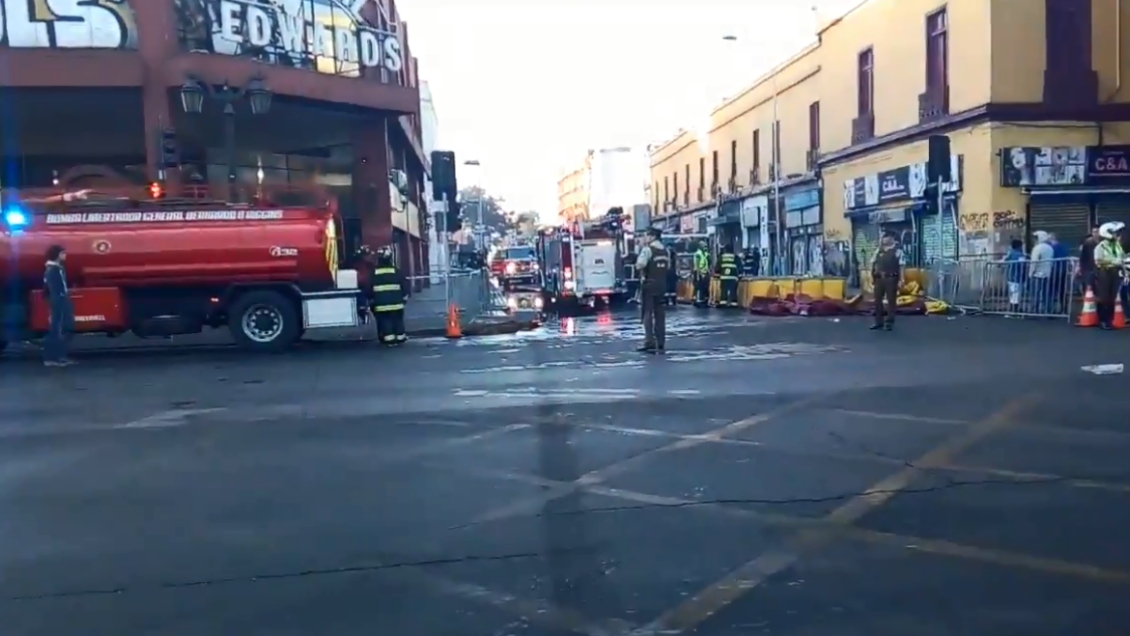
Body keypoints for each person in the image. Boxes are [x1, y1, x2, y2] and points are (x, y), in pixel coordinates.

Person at [635, 226, 670, 353]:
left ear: (652, 237)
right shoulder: (665, 251)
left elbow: (640, 265)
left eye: (647, 235)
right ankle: (660, 342)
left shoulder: (647, 250)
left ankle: (649, 341)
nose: (645, 238)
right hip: (662, 285)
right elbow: (668, 267)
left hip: (649, 285)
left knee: (647, 313)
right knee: (660, 314)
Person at [42, 244, 74, 366]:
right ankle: (55, 358)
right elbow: (53, 288)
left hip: (57, 300)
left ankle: (57, 357)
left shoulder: (55, 268)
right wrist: (61, 297)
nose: (65, 255)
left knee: (59, 328)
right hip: (58, 301)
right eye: (63, 253)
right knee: (58, 329)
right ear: (57, 255)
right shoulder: (53, 270)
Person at [370, 246, 409, 344]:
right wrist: (404, 298)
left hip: (381, 306)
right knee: (398, 321)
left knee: (385, 322)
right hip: (397, 304)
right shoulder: (396, 271)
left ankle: (389, 339)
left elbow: (368, 288)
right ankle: (400, 337)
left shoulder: (374, 273)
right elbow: (405, 286)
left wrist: (370, 300)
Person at [1093, 222, 1125, 330]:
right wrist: (1113, 261)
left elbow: (1121, 256)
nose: (1116, 234)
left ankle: (1109, 320)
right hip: (1104, 272)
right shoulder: (1100, 247)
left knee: (1112, 297)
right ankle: (1103, 320)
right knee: (1104, 297)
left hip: (1115, 272)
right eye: (1114, 232)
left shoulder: (1117, 245)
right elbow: (1098, 261)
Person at [869, 233, 900, 331]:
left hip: (891, 278)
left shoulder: (897, 251)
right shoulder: (878, 251)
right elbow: (872, 263)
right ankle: (878, 322)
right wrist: (872, 276)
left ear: (891, 239)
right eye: (883, 238)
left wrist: (901, 280)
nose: (884, 240)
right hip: (879, 278)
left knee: (891, 301)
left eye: (886, 238)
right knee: (877, 301)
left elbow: (902, 266)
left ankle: (889, 323)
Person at [1029, 230, 1055, 314]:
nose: (1034, 240)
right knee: (1046, 294)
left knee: (1035, 293)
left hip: (1037, 274)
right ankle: (1048, 310)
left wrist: (1031, 273)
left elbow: (1034, 262)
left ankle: (1034, 310)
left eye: (1035, 238)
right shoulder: (1050, 248)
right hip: (1047, 273)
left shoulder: (1037, 248)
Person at [1002, 238, 1027, 315]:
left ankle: (1012, 311)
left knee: (1012, 295)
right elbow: (1022, 266)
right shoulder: (1020, 255)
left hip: (1010, 277)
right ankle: (1014, 311)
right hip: (1017, 277)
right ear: (1019, 246)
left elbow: (1004, 261)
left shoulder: (1010, 253)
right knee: (1016, 295)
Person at [692, 242, 711, 307]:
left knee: (705, 287)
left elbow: (708, 263)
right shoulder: (698, 254)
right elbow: (697, 264)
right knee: (699, 287)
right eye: (704, 246)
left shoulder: (706, 254)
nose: (705, 247)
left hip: (705, 272)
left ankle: (705, 300)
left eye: (706, 246)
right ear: (700, 246)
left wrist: (708, 271)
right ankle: (698, 301)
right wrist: (699, 273)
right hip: (699, 272)